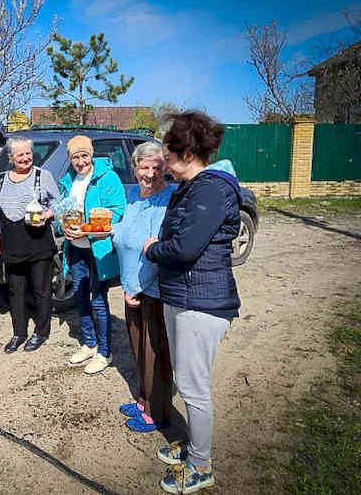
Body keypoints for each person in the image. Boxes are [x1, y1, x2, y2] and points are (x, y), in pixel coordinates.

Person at [143, 111, 242, 493]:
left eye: (167, 156)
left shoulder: (211, 190)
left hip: (203, 304)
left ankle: (201, 466)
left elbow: (184, 248)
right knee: (188, 382)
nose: (163, 164)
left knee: (194, 387)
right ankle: (194, 445)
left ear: (187, 153)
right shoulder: (191, 188)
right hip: (183, 297)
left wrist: (153, 249)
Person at [110, 141, 175, 432]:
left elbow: (158, 247)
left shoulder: (169, 198)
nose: (149, 173)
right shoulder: (133, 195)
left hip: (152, 288)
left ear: (165, 168)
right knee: (137, 345)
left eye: (156, 167)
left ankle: (157, 411)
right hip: (131, 285)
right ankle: (144, 398)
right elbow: (126, 232)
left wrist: (137, 286)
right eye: (143, 167)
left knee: (154, 350)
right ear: (134, 168)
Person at [58, 135, 126, 374]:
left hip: (98, 250)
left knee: (98, 299)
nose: (80, 161)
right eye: (75, 157)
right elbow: (62, 213)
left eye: (84, 155)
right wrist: (63, 228)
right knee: (80, 296)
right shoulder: (68, 180)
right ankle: (89, 343)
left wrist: (86, 227)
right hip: (76, 249)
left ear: (91, 154)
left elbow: (118, 212)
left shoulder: (108, 178)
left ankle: (105, 352)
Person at [0, 137, 61, 353]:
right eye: (20, 154)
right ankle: (19, 333)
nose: (26, 158)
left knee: (41, 291)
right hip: (12, 244)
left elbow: (58, 203)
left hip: (38, 242)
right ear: (11, 158)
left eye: (29, 153)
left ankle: (41, 331)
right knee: (15, 291)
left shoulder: (42, 176)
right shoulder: (1, 180)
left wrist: (46, 214)